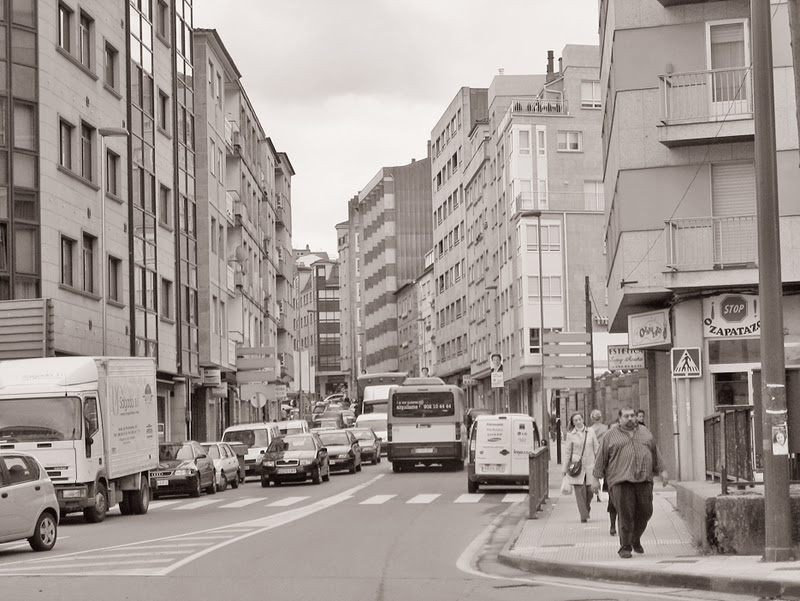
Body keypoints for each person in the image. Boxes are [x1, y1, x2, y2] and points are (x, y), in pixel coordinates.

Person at [592, 406, 668, 559]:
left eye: (632, 415)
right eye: (626, 416)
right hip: (621, 480)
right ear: (619, 419)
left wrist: (662, 470)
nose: (630, 419)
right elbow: (601, 458)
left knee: (646, 511)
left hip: (644, 479)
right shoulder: (610, 435)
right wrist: (595, 479)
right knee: (625, 514)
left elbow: (655, 451)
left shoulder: (645, 432)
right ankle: (625, 547)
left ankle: (635, 538)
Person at [562, 412, 599, 524]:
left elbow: (596, 447)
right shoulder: (570, 435)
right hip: (577, 466)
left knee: (589, 491)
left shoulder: (591, 431)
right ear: (572, 423)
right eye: (575, 420)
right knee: (580, 491)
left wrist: (599, 463)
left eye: (579, 419)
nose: (578, 422)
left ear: (583, 419)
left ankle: (586, 508)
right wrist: (564, 468)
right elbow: (567, 452)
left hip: (590, 466)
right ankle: (583, 515)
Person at [589, 409, 608, 503]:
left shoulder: (590, 429)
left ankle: (597, 492)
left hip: (594, 453)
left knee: (596, 471)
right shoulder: (606, 428)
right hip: (604, 451)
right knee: (604, 471)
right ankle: (601, 491)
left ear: (592, 419)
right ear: (600, 418)